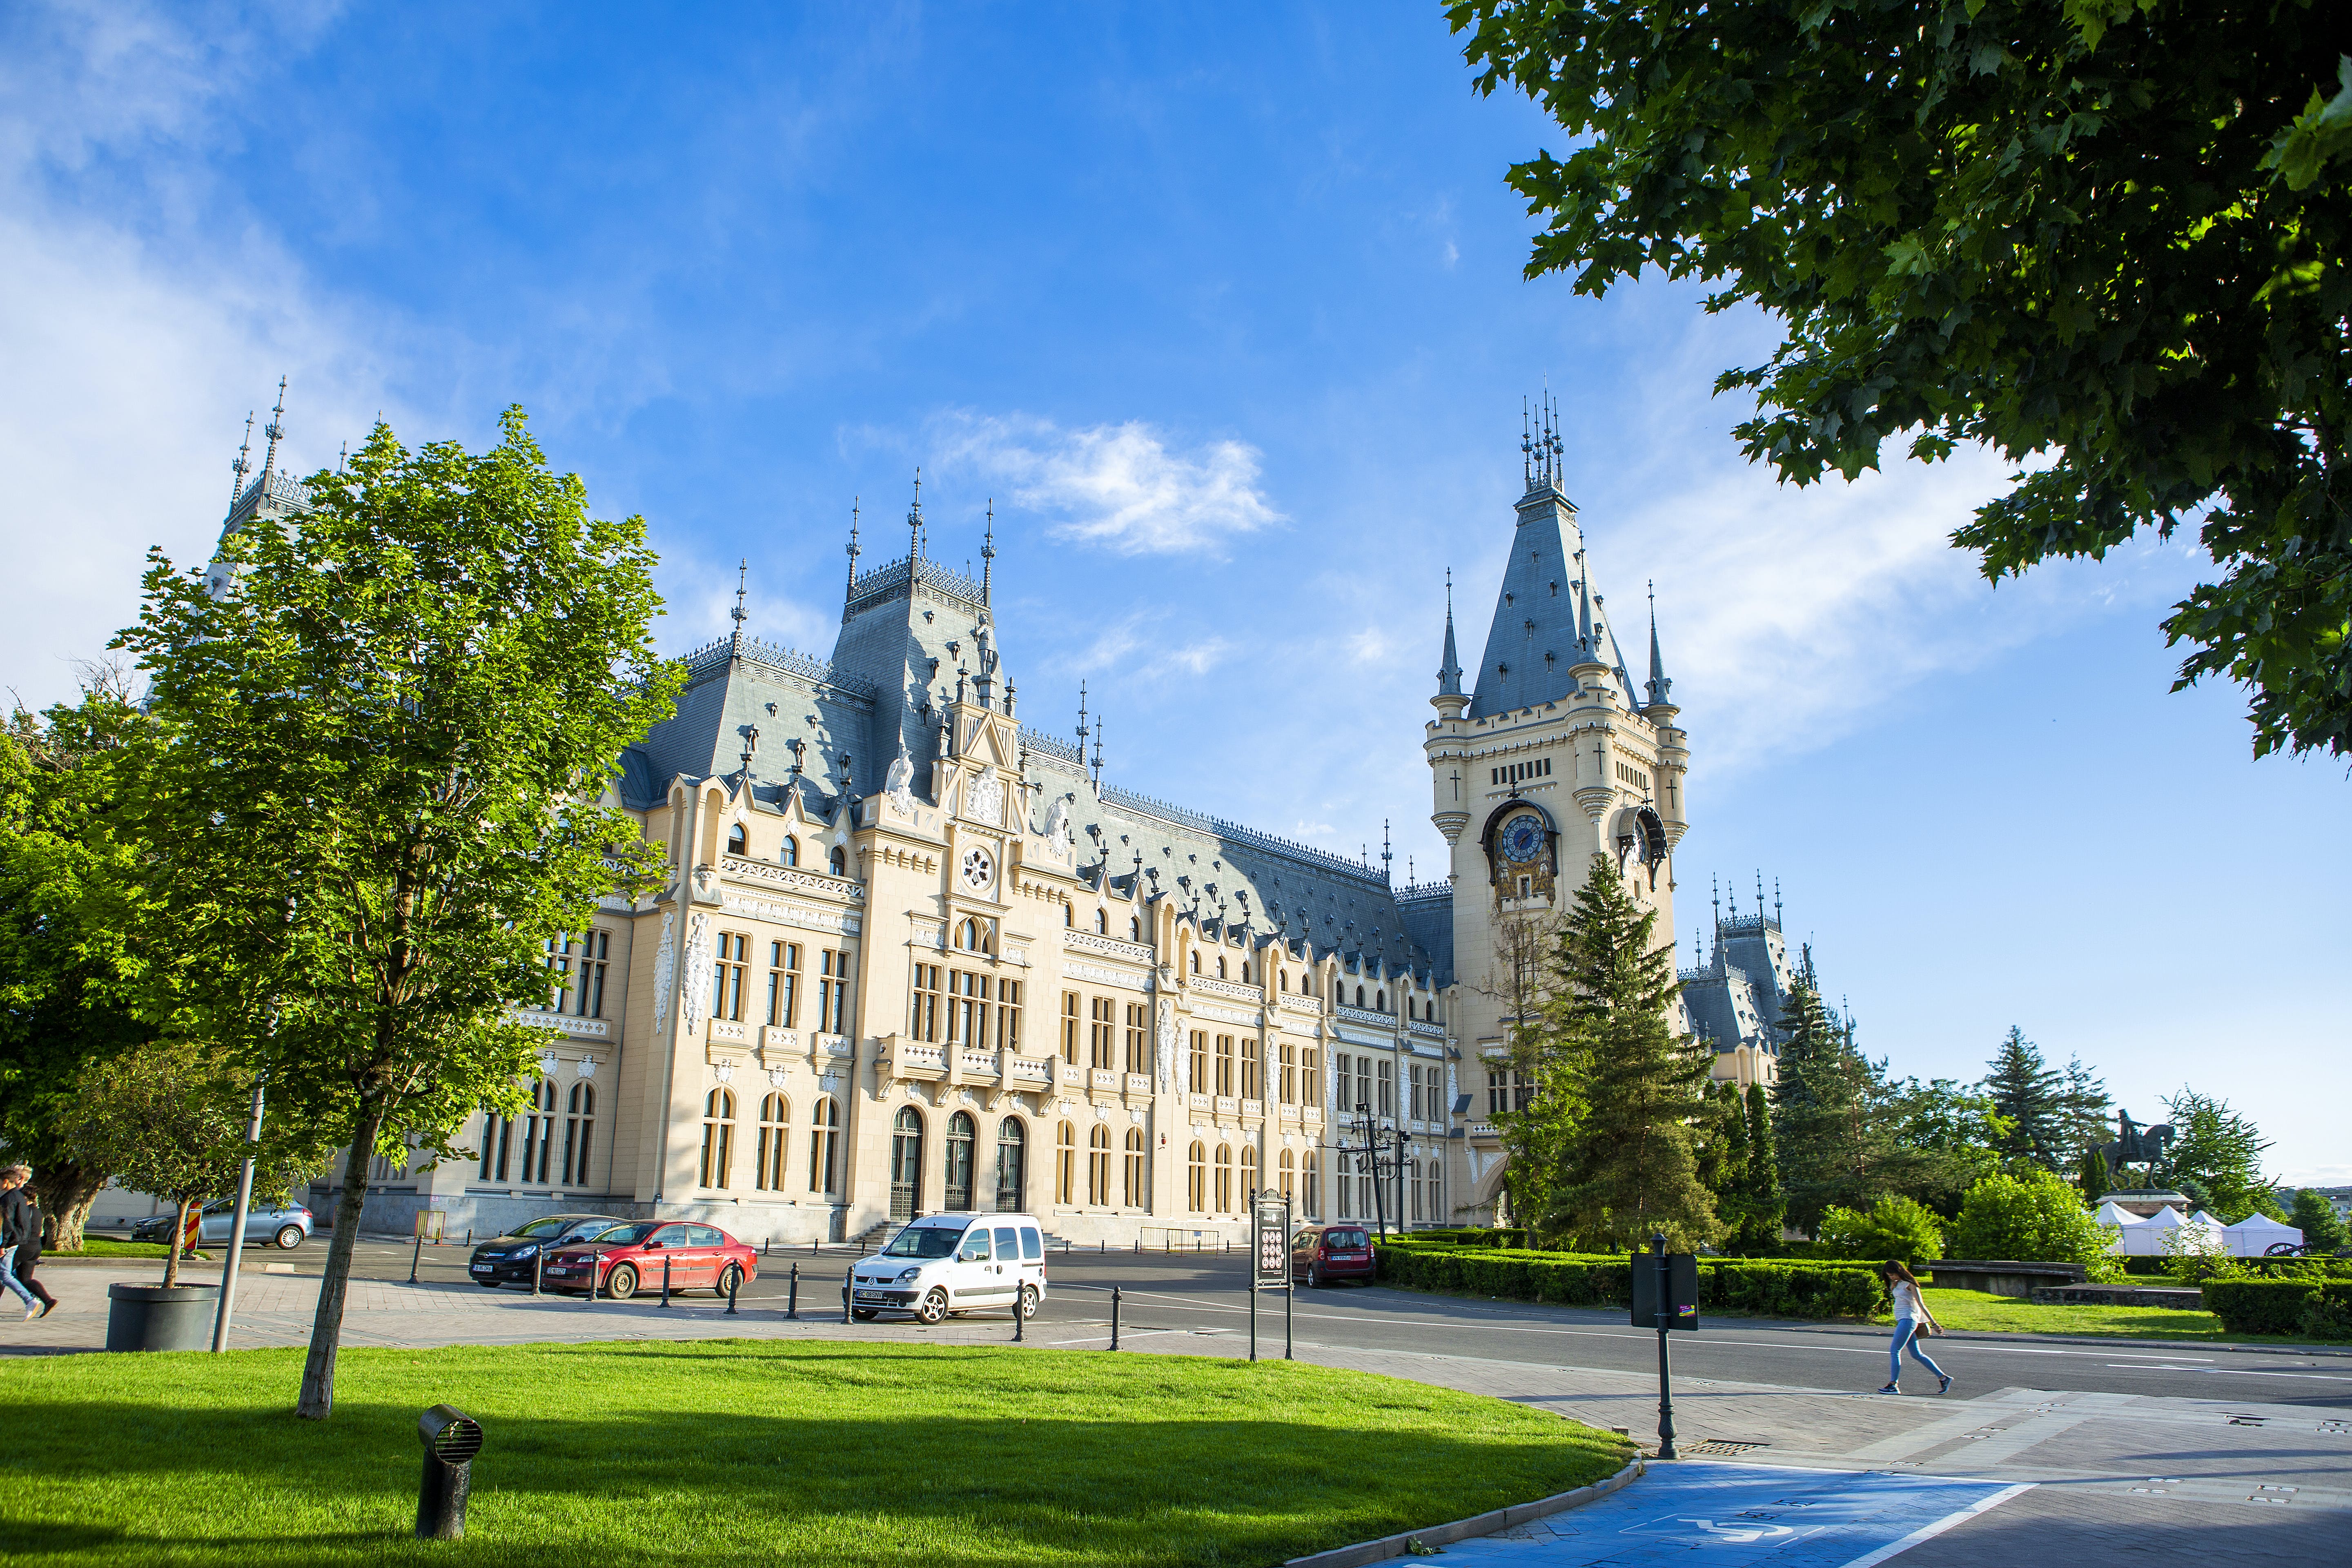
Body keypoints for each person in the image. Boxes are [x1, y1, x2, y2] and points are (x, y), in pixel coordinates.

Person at [1879, 1259, 1949, 1394]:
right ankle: (1944, 1378)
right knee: (1917, 1354)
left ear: (1900, 1271)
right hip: (1903, 1320)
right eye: (1889, 1276)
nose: (1892, 1278)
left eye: (1893, 1275)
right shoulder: (1898, 1284)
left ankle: (1893, 1385)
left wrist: (1934, 1324)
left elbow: (1922, 1305)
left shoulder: (1911, 1284)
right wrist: (1893, 1287)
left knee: (1895, 1351)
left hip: (1908, 1320)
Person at [0, 1165, 47, 1320]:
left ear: (6, 1182)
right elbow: (25, 1223)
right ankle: (30, 1300)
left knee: (5, 1275)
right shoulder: (20, 1197)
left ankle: (30, 1300)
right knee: (6, 1274)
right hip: (17, 1241)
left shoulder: (8, 1199)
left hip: (8, 1242)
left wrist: (3, 1245)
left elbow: (7, 1224)